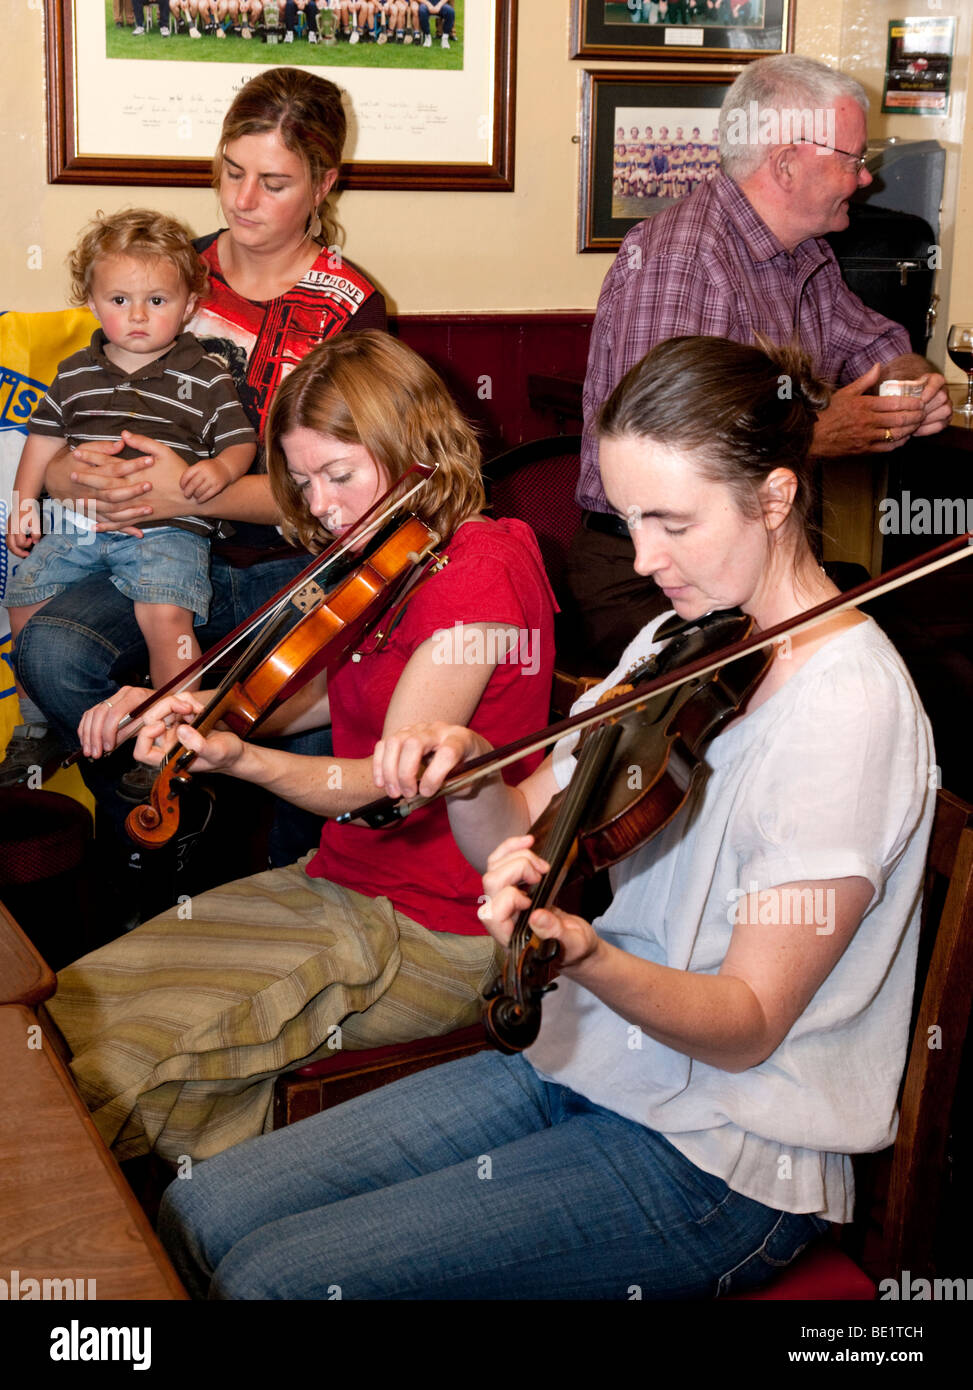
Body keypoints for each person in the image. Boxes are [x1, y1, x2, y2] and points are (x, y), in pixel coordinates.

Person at [155, 335, 935, 1301]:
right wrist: (469, 776)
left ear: (774, 498)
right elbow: (518, 828)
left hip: (726, 1155)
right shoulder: (679, 641)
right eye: (629, 519)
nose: (642, 559)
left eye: (672, 522)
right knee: (199, 1206)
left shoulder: (846, 706)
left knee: (273, 1280)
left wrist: (589, 955)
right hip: (590, 1058)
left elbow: (745, 1026)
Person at [44, 330, 557, 1168]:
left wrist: (241, 759)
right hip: (339, 881)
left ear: (416, 446)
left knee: (112, 1068)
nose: (319, 506)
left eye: (339, 475)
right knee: (71, 1007)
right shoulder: (389, 558)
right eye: (304, 480)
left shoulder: (478, 571)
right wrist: (193, 705)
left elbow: (386, 785)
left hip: (432, 930)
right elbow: (322, 694)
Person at [5, 68, 385, 809]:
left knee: (313, 727)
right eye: (231, 171)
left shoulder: (351, 309)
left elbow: (357, 494)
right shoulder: (163, 274)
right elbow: (71, 424)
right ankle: (158, 813)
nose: (241, 200)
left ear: (324, 184)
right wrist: (74, 482)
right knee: (49, 648)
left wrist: (186, 492)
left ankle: (232, 819)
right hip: (143, 548)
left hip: (289, 566)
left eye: (273, 183)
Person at [568, 55, 952, 669]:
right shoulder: (684, 261)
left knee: (908, 657)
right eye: (853, 160)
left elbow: (880, 346)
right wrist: (813, 435)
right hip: (654, 573)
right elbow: (665, 459)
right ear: (787, 164)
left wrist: (912, 386)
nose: (864, 179)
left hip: (752, 563)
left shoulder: (804, 253)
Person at [3, 210, 256, 755]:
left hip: (169, 529)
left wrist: (220, 469)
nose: (138, 315)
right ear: (93, 304)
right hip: (79, 524)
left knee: (164, 615)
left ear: (189, 306)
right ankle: (37, 725)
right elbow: (43, 439)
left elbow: (240, 441)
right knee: (23, 596)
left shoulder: (206, 375)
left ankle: (176, 733)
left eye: (157, 301)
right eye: (119, 300)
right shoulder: (74, 373)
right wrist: (23, 504)